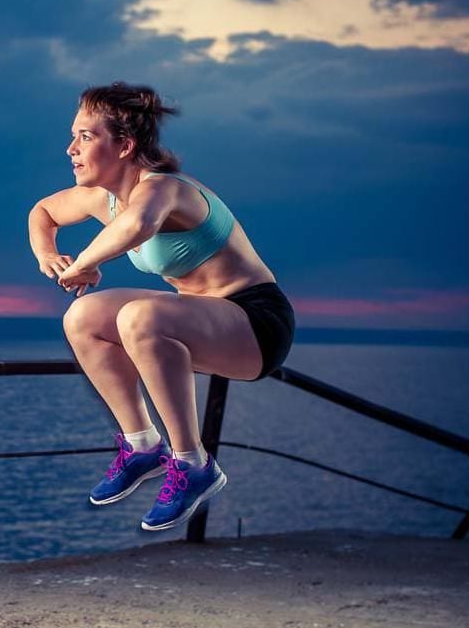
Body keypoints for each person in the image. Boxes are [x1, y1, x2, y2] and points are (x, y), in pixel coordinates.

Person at [27, 82, 295, 532]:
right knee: (83, 317)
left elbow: (138, 224)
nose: (71, 148)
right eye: (73, 136)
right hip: (198, 316)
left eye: (86, 137)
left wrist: (87, 264)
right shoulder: (102, 198)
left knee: (139, 316)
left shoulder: (165, 190)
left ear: (125, 145)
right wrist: (47, 256)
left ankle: (193, 463)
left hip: (256, 323)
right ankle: (143, 445)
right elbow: (43, 212)